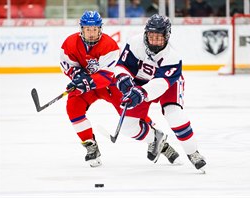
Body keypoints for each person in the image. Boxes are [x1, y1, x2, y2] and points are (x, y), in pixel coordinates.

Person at [60, 11, 179, 167]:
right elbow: (68, 65)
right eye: (88, 29)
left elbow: (108, 75)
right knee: (73, 107)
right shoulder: (69, 43)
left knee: (133, 113)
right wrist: (76, 75)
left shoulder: (109, 45)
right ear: (81, 29)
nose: (91, 33)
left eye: (94, 29)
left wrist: (85, 81)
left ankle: (161, 143)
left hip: (110, 87)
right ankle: (91, 147)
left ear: (100, 29)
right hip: (87, 86)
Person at [114, 14, 207, 171]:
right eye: (151, 36)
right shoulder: (134, 43)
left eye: (159, 37)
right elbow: (122, 66)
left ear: (167, 35)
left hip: (168, 84)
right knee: (128, 127)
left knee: (174, 114)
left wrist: (140, 93)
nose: (154, 41)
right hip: (140, 83)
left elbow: (160, 84)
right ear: (146, 34)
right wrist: (123, 79)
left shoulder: (173, 57)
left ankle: (193, 152)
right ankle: (155, 138)